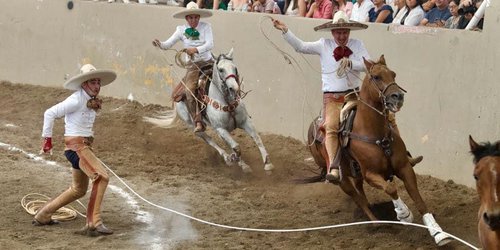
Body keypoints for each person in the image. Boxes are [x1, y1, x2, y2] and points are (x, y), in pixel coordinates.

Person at [272, 11, 370, 183]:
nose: (342, 35)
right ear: (332, 32)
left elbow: (368, 65)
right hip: (333, 99)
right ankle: (333, 166)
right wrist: (285, 31)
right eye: (338, 32)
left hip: (355, 95)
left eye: (345, 32)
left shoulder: (358, 44)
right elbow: (301, 46)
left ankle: (399, 155)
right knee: (331, 126)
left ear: (349, 32)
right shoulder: (323, 44)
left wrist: (352, 63)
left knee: (382, 115)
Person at [34, 64, 117, 236]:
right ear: (84, 84)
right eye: (93, 82)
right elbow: (49, 113)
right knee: (101, 177)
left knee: (78, 189)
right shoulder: (76, 99)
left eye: (98, 82)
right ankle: (94, 222)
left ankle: (43, 214)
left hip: (81, 147)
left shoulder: (87, 98)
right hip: (77, 147)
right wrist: (47, 140)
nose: (97, 86)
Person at [152, 2, 214, 132]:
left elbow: (210, 44)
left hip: (209, 61)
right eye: (191, 18)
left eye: (196, 17)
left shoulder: (206, 27)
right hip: (193, 66)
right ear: (186, 18)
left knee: (227, 75)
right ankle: (198, 121)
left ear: (199, 17)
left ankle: (234, 105)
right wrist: (160, 44)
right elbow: (168, 44)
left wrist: (195, 49)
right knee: (190, 90)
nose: (194, 20)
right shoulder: (181, 30)